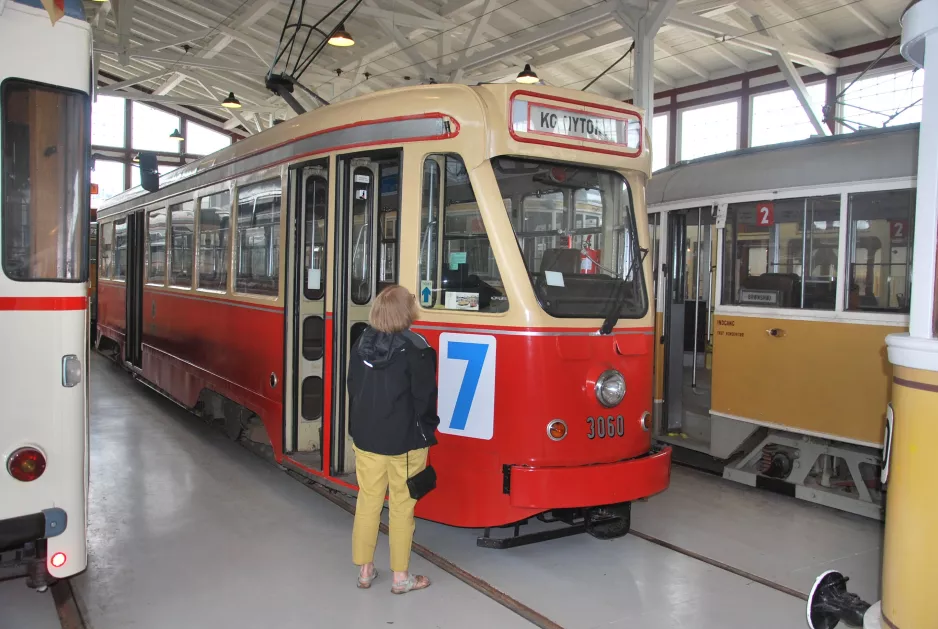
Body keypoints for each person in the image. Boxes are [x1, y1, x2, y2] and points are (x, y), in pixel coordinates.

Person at [347, 285, 439, 594]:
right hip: (405, 443)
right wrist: (428, 430)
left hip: (366, 438)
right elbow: (425, 398)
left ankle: (365, 570)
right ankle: (401, 578)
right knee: (402, 507)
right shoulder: (417, 348)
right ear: (407, 312)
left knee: (368, 500)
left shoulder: (360, 343)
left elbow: (353, 388)